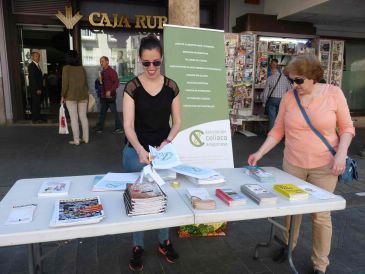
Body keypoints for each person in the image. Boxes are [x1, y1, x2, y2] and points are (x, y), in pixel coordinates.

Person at [248, 55, 355, 274]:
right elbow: (278, 130)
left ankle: (320, 263)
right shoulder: (289, 97)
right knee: (290, 211)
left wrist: (341, 154)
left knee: (321, 215)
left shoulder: (334, 94)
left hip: (324, 166)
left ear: (314, 77)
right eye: (292, 80)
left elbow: (347, 128)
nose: (295, 85)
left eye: (299, 81)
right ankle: (289, 246)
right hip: (293, 164)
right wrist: (259, 152)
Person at [122, 34, 181, 272]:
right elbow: (127, 125)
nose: (152, 68)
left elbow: (177, 122)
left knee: (162, 197)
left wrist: (166, 143)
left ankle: (163, 241)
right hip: (135, 152)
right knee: (140, 200)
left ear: (162, 59)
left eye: (156, 62)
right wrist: (138, 149)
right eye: (146, 63)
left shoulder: (171, 86)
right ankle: (137, 245)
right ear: (139, 61)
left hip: (162, 153)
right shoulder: (132, 87)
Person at [61, 50, 89, 145]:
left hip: (71, 96)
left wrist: (62, 95)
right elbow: (86, 83)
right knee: (83, 117)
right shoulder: (82, 68)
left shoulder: (66, 68)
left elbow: (65, 84)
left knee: (74, 118)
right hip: (83, 95)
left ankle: (76, 140)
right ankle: (86, 138)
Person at [93, 56, 123, 133]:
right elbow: (101, 83)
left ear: (107, 62)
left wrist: (110, 90)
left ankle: (119, 128)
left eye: (102, 61)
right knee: (102, 112)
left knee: (114, 112)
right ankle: (99, 128)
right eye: (100, 61)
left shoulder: (111, 71)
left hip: (110, 96)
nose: (101, 63)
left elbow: (116, 83)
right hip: (103, 95)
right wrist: (99, 80)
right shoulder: (103, 72)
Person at [262, 59, 292, 130]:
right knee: (280, 118)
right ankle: (279, 134)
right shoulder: (285, 79)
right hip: (282, 100)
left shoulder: (270, 78)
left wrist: (264, 102)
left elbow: (266, 92)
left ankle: (272, 134)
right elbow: (290, 90)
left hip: (272, 99)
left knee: (272, 118)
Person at [28, 51, 44, 123]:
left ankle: (38, 117)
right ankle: (35, 119)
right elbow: (32, 78)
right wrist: (37, 89)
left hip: (39, 88)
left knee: (37, 103)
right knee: (35, 103)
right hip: (35, 89)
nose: (38, 57)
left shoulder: (37, 65)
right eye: (36, 56)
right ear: (32, 57)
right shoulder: (31, 66)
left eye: (38, 56)